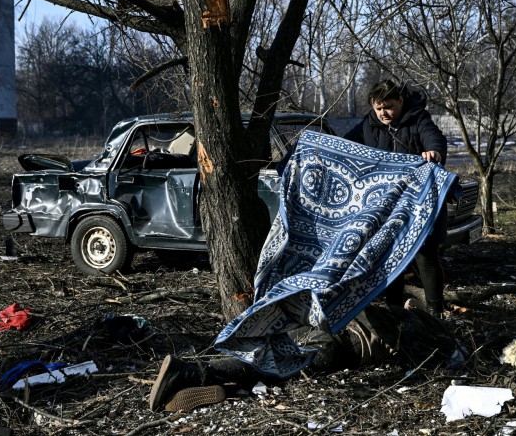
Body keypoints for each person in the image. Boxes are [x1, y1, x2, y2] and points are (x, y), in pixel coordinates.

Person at [149, 302, 460, 412]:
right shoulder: (418, 334)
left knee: (268, 358)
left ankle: (214, 383)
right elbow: (427, 359)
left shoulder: (392, 312)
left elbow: (406, 302)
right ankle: (192, 374)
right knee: (273, 369)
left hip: (324, 323)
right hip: (342, 346)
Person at [343, 80, 448, 317]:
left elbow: (435, 139)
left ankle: (436, 311)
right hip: (386, 204)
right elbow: (345, 145)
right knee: (390, 255)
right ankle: (394, 311)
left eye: (388, 107)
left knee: (425, 254)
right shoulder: (368, 125)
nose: (383, 113)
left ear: (400, 101)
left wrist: (434, 152)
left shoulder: (418, 118)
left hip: (419, 201)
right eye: (378, 108)